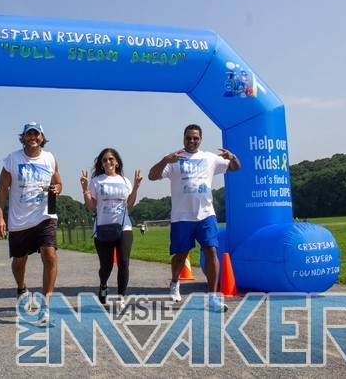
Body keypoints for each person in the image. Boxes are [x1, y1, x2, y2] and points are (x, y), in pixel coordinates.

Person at [148, 124, 241, 312]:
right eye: (188, 137)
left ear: (201, 140)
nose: (192, 141)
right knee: (181, 254)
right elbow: (152, 176)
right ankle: (175, 282)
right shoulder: (174, 159)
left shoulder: (209, 158)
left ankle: (213, 297)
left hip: (206, 214)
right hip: (182, 216)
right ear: (184, 138)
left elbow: (235, 167)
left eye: (195, 138)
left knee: (211, 251)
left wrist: (232, 157)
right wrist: (165, 160)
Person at [0, 121, 62, 321]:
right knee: (19, 262)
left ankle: (45, 305)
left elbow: (58, 182)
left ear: (42, 137)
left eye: (36, 134)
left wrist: (57, 188)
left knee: (50, 255)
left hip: (45, 215)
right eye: (29, 134)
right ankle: (22, 288)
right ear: (23, 137)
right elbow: (2, 190)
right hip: (20, 219)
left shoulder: (50, 158)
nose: (33, 137)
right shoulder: (12, 160)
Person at [80, 148, 142, 308]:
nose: (108, 162)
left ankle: (121, 297)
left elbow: (129, 205)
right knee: (106, 266)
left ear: (117, 162)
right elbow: (90, 206)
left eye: (111, 159)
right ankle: (103, 284)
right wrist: (85, 189)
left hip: (123, 226)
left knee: (123, 262)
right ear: (101, 164)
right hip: (103, 227)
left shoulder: (125, 181)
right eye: (104, 160)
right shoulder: (96, 181)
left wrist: (135, 187)